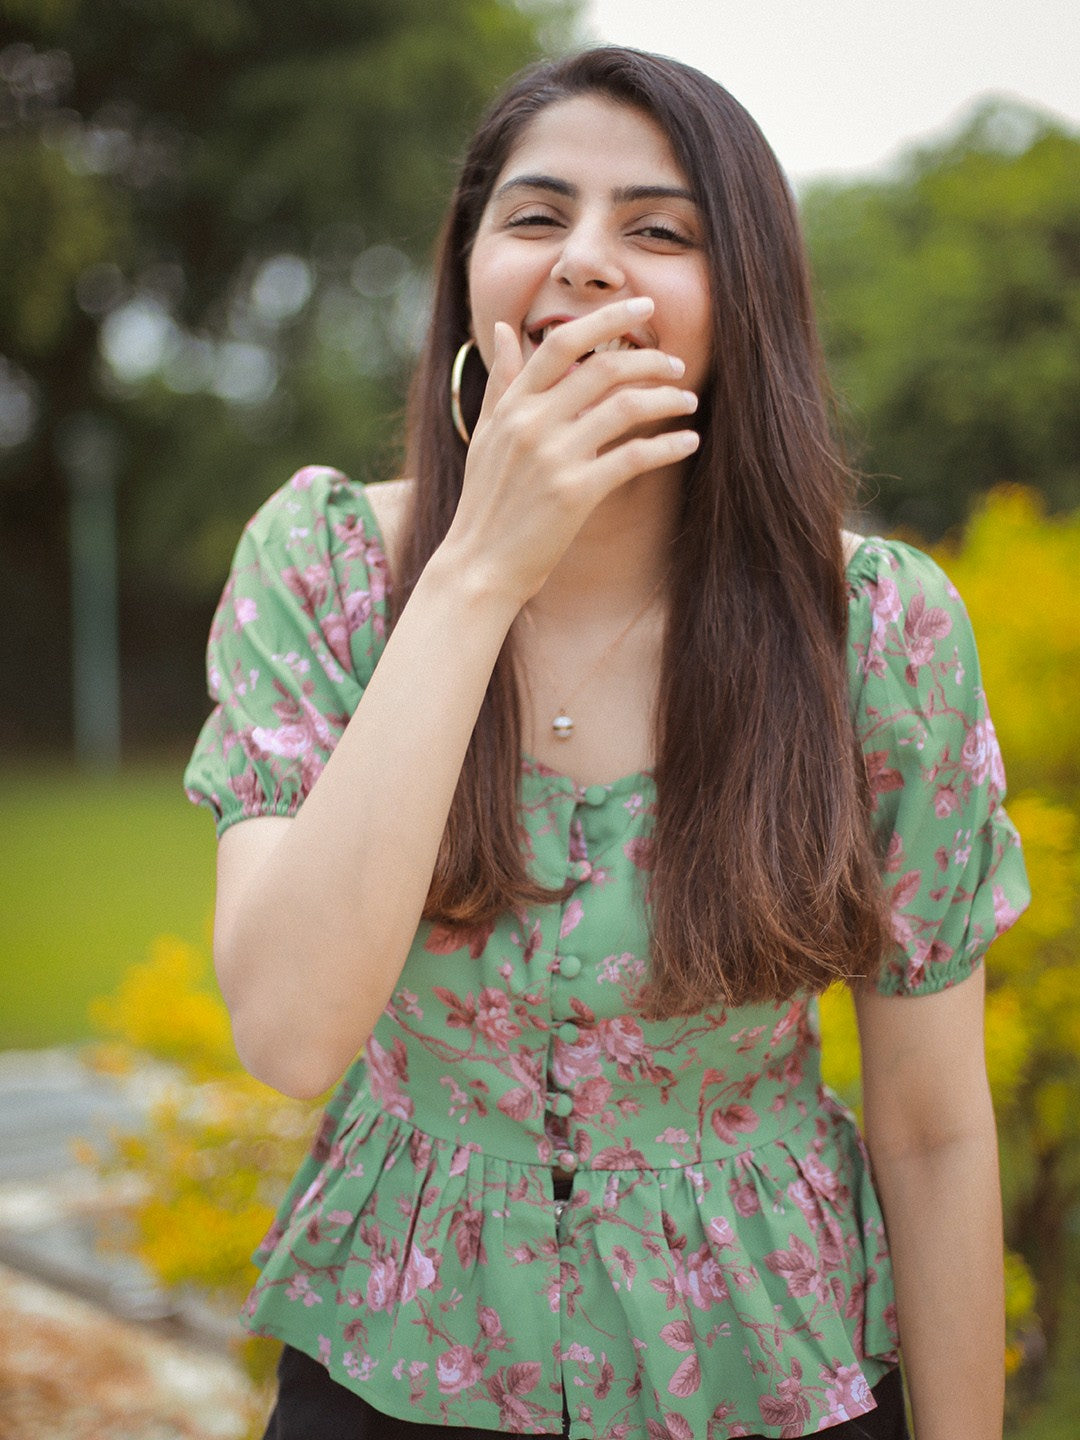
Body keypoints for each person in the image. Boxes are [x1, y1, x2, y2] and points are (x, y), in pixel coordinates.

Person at [184, 45, 1029, 1440]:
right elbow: (285, 1030)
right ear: (471, 276)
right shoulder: (326, 564)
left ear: (741, 299)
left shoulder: (876, 628)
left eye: (657, 228)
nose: (583, 261)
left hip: (777, 1366)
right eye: (534, 216)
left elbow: (934, 1134)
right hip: (398, 1367)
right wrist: (477, 573)